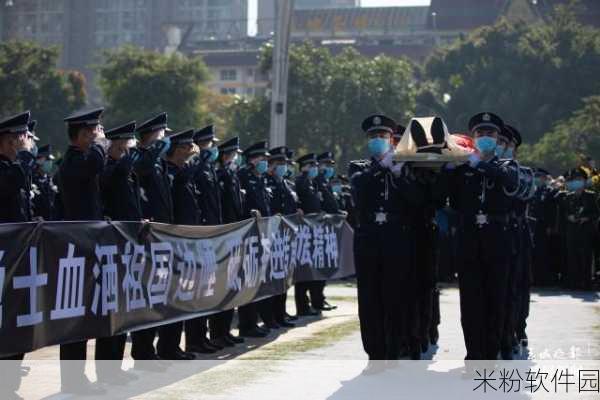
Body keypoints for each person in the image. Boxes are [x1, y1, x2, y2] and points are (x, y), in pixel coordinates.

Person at [438, 112, 518, 363]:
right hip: (469, 237)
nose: (485, 137)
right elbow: (442, 197)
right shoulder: (462, 168)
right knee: (471, 301)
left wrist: (479, 164)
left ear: (497, 138)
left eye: (490, 134)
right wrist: (448, 169)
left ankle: (491, 355)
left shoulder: (508, 166)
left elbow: (509, 183)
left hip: (497, 238)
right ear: (473, 137)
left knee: (496, 298)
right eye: (480, 134)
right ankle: (474, 355)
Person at [350, 114, 425, 373]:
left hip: (396, 236)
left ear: (392, 139)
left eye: (382, 137)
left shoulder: (403, 167)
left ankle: (393, 351)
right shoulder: (359, 167)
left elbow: (417, 200)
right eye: (373, 137)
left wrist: (398, 173)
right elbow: (358, 190)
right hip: (369, 236)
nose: (378, 141)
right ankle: (375, 355)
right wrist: (381, 166)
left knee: (394, 296)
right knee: (369, 299)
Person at [56, 108, 107, 394]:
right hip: (75, 248)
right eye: (94, 131)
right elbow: (95, 165)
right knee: (75, 320)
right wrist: (100, 145)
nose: (99, 136)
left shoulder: (84, 159)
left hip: (87, 245)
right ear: (83, 134)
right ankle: (73, 380)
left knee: (85, 317)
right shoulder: (74, 161)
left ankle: (78, 378)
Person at [97, 121, 143, 383]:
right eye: (123, 145)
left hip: (129, 246)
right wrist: (120, 168)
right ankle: (107, 372)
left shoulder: (126, 170)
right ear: (113, 145)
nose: (127, 150)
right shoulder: (107, 168)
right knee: (111, 311)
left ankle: (115, 367)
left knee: (125, 310)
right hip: (112, 246)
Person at [131, 112, 173, 367]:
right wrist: (153, 148)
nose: (164, 139)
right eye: (161, 134)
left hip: (161, 237)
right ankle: (142, 351)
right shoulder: (141, 158)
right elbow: (140, 169)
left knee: (158, 296)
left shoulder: (158, 162)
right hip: (144, 239)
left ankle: (150, 350)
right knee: (144, 296)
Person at [0, 110, 35, 399]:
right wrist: (24, 156)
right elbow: (10, 185)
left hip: (20, 258)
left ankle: (9, 386)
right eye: (19, 139)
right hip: (3, 259)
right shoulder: (6, 169)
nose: (24, 143)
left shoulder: (15, 167)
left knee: (19, 322)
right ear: (8, 142)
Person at [162, 128, 202, 360]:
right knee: (172, 297)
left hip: (188, 240)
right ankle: (166, 347)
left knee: (185, 295)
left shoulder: (183, 170)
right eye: (188, 147)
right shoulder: (169, 171)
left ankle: (174, 346)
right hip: (173, 242)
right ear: (178, 149)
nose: (192, 151)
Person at [187, 125, 226, 352]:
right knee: (197, 289)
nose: (212, 148)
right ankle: (194, 339)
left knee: (209, 289)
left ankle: (203, 337)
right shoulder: (195, 167)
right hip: (199, 235)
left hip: (212, 235)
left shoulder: (208, 168)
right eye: (209, 144)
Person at [237, 141, 276, 335]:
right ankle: (246, 325)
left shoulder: (260, 178)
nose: (264, 162)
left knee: (259, 280)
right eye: (261, 158)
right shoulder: (244, 175)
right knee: (249, 280)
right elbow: (241, 204)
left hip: (262, 235)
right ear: (252, 160)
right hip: (248, 235)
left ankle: (256, 321)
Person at [215, 136, 248, 343]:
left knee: (232, 286)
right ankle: (217, 333)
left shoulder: (231, 174)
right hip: (223, 236)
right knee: (221, 287)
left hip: (235, 235)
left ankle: (225, 331)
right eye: (233, 153)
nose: (235, 158)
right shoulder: (220, 174)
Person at [266, 146, 300, 328]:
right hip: (272, 235)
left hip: (285, 237)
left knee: (283, 276)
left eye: (285, 163)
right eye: (279, 163)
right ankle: (270, 317)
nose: (283, 166)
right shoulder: (268, 181)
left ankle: (280, 313)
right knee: (272, 278)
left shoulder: (284, 182)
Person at [293, 153, 323, 317]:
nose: (314, 168)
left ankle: (308, 305)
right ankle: (302, 307)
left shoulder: (311, 182)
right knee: (303, 271)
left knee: (310, 270)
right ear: (304, 166)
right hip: (303, 231)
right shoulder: (301, 181)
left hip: (312, 231)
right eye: (311, 165)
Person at [560, 167, 599, 290]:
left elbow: (596, 213)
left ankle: (586, 282)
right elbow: (564, 213)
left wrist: (586, 218)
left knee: (586, 257)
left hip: (586, 231)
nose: (577, 182)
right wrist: (569, 217)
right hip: (572, 231)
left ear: (584, 181)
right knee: (572, 257)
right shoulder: (568, 196)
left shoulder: (590, 196)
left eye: (579, 179)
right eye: (575, 179)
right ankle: (574, 282)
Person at [31, 144, 57, 220]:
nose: (50, 162)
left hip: (51, 222)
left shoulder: (51, 180)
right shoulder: (32, 179)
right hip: (37, 223)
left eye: (51, 160)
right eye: (47, 159)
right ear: (39, 161)